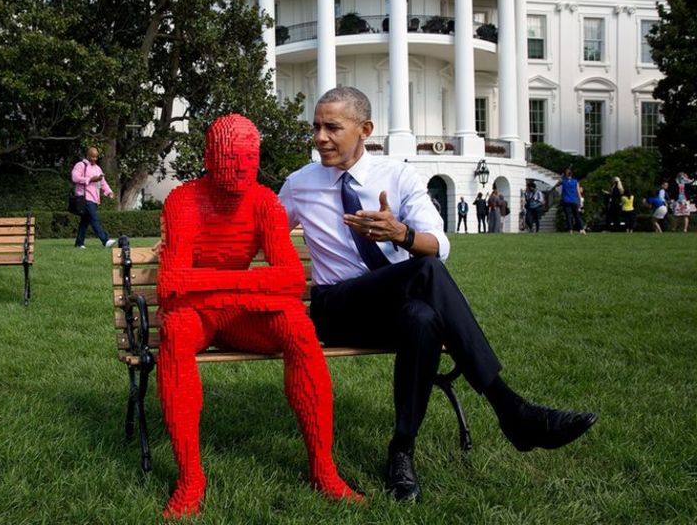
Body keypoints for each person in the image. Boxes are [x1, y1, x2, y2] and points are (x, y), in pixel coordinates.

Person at [278, 86, 596, 503]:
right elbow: (259, 231)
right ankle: (510, 409)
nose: (320, 137)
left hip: (390, 309)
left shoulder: (397, 176)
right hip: (336, 309)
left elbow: (438, 243)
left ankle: (401, 453)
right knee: (425, 273)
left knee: (423, 317)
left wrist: (401, 234)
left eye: (332, 127)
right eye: (316, 126)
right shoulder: (300, 184)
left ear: (365, 130)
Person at [156, 114, 363, 519]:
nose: (240, 167)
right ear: (210, 158)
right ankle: (190, 477)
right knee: (177, 329)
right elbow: (171, 285)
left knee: (299, 328)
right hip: (199, 318)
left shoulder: (264, 202)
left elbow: (289, 278)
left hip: (235, 317)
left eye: (249, 158)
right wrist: (249, 282)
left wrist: (215, 284)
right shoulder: (183, 201)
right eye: (231, 157)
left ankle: (323, 468)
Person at [71, 147, 117, 249]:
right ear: (88, 155)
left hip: (94, 199)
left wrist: (109, 192)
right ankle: (105, 240)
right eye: (92, 156)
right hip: (85, 198)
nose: (94, 159)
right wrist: (90, 179)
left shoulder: (97, 168)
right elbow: (75, 178)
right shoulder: (81, 165)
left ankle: (79, 243)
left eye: (96, 157)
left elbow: (102, 182)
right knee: (94, 219)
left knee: (85, 221)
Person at [555, 169, 585, 234]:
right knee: (577, 215)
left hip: (566, 200)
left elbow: (556, 185)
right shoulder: (575, 181)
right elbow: (578, 192)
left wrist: (561, 177)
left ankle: (570, 230)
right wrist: (580, 201)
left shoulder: (564, 181)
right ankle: (581, 228)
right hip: (574, 200)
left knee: (568, 216)